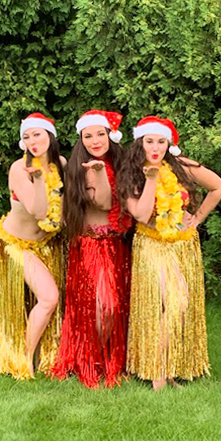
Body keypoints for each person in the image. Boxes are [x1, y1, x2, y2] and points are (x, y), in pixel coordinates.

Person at [120, 116, 221, 391]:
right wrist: (152, 180)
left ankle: (167, 370)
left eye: (161, 141)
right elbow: (142, 215)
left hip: (183, 244)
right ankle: (158, 371)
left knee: (176, 306)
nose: (155, 148)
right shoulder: (131, 174)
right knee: (174, 302)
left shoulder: (182, 167)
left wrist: (198, 217)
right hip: (152, 244)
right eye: (149, 141)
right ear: (140, 143)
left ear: (169, 144)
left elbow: (218, 186)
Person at [51, 110, 133, 388]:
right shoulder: (79, 168)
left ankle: (109, 359)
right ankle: (90, 361)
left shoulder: (121, 164)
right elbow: (104, 205)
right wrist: (97, 174)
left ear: (111, 136)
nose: (95, 141)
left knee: (116, 307)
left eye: (101, 134)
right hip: (90, 247)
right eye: (88, 136)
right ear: (81, 139)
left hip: (116, 246)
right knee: (101, 307)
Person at [0, 112, 66, 380]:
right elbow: (37, 210)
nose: (33, 140)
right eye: (27, 136)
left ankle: (48, 355)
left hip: (45, 244)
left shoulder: (60, 164)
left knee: (47, 300)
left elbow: (62, 209)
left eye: (37, 134)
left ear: (49, 136)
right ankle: (23, 360)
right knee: (49, 298)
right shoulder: (18, 169)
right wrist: (36, 180)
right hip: (16, 245)